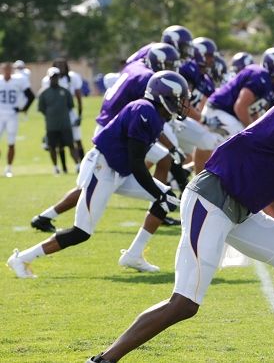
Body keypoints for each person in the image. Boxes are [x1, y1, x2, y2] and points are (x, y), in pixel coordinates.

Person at [85, 55, 274, 363]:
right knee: (184, 303)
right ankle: (103, 360)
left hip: (238, 207)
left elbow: (273, 194)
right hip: (212, 200)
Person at [7, 71, 189, 279]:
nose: (182, 103)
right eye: (178, 98)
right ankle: (21, 258)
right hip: (103, 168)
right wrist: (156, 191)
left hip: (119, 170)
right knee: (81, 232)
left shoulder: (153, 114)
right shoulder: (143, 110)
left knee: (166, 198)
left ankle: (134, 255)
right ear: (163, 96)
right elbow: (137, 162)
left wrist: (160, 191)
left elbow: (137, 161)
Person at [30, 43, 182, 234]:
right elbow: (149, 115)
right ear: (157, 62)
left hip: (120, 125)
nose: (172, 69)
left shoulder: (134, 66)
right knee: (90, 186)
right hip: (116, 131)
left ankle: (159, 207)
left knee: (164, 158)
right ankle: (45, 216)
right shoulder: (147, 78)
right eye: (169, 64)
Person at [38, 67, 80, 174]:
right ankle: (56, 167)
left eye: (56, 77)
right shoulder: (44, 93)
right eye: (52, 78)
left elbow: (70, 106)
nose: (54, 79)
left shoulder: (65, 91)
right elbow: (42, 109)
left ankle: (77, 165)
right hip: (51, 125)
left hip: (65, 124)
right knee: (52, 147)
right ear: (49, 78)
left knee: (70, 145)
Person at [0, 62, 35, 177]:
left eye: (9, 69)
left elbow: (31, 95)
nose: (7, 72)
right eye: (5, 69)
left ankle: (9, 168)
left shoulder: (18, 80)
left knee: (11, 142)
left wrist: (23, 109)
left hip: (11, 115)